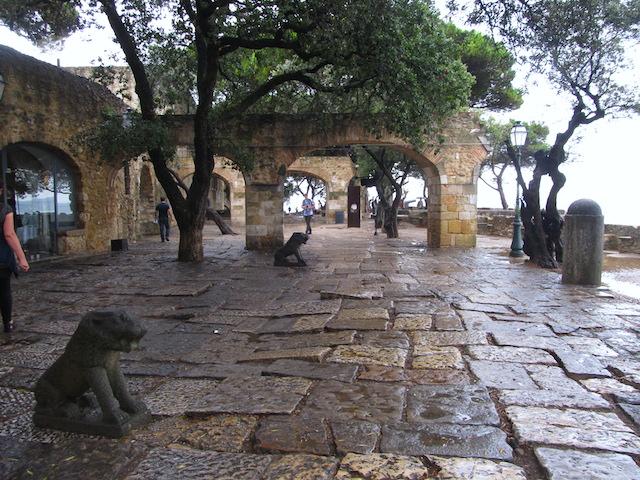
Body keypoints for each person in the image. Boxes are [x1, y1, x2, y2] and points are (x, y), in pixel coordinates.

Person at [0, 182, 30, 333]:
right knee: (4, 290)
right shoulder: (5, 210)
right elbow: (9, 234)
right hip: (2, 258)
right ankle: (7, 323)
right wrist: (21, 258)